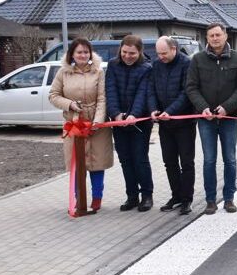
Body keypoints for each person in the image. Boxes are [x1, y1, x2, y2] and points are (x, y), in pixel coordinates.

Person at [186, 23, 237, 215]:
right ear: (207, 38)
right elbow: (191, 87)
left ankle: (229, 198)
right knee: (209, 160)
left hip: (229, 118)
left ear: (225, 36)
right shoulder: (197, 60)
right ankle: (210, 200)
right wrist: (203, 107)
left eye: (218, 35)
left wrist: (227, 107)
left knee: (230, 159)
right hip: (206, 120)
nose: (215, 38)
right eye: (211, 35)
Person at [48, 38, 114, 212]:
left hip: (95, 124)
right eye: (79, 52)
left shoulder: (98, 72)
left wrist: (98, 121)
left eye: (86, 52)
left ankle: (97, 198)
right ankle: (79, 198)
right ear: (72, 54)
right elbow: (53, 95)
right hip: (75, 123)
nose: (83, 55)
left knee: (97, 162)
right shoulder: (63, 72)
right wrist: (69, 104)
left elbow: (102, 98)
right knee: (77, 163)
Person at [106, 35, 154, 212]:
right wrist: (116, 114)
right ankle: (131, 196)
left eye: (132, 53)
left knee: (140, 159)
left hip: (139, 123)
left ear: (139, 51)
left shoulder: (146, 68)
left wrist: (133, 114)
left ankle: (147, 195)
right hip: (118, 122)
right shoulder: (112, 65)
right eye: (124, 52)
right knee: (125, 160)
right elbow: (110, 90)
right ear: (120, 49)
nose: (127, 56)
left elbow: (143, 93)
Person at [148, 36, 195, 215]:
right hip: (164, 124)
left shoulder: (186, 64)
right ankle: (175, 195)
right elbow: (151, 90)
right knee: (169, 162)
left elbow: (186, 92)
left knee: (186, 162)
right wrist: (154, 110)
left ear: (174, 48)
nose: (161, 57)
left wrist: (171, 111)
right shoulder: (156, 65)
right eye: (159, 53)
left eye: (164, 53)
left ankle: (187, 199)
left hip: (184, 122)